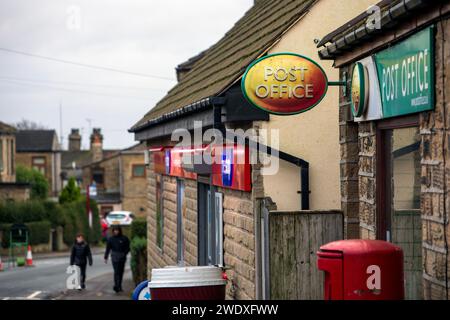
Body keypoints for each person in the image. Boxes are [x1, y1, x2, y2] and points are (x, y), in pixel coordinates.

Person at [104, 226, 130, 293]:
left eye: (117, 230)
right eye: (115, 230)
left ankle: (119, 286)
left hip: (122, 257)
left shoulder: (124, 238)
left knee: (121, 272)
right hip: (114, 257)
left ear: (119, 231)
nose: (116, 231)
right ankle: (116, 285)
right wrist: (105, 257)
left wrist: (124, 253)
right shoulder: (111, 239)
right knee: (116, 271)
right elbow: (108, 248)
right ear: (113, 231)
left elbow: (128, 247)